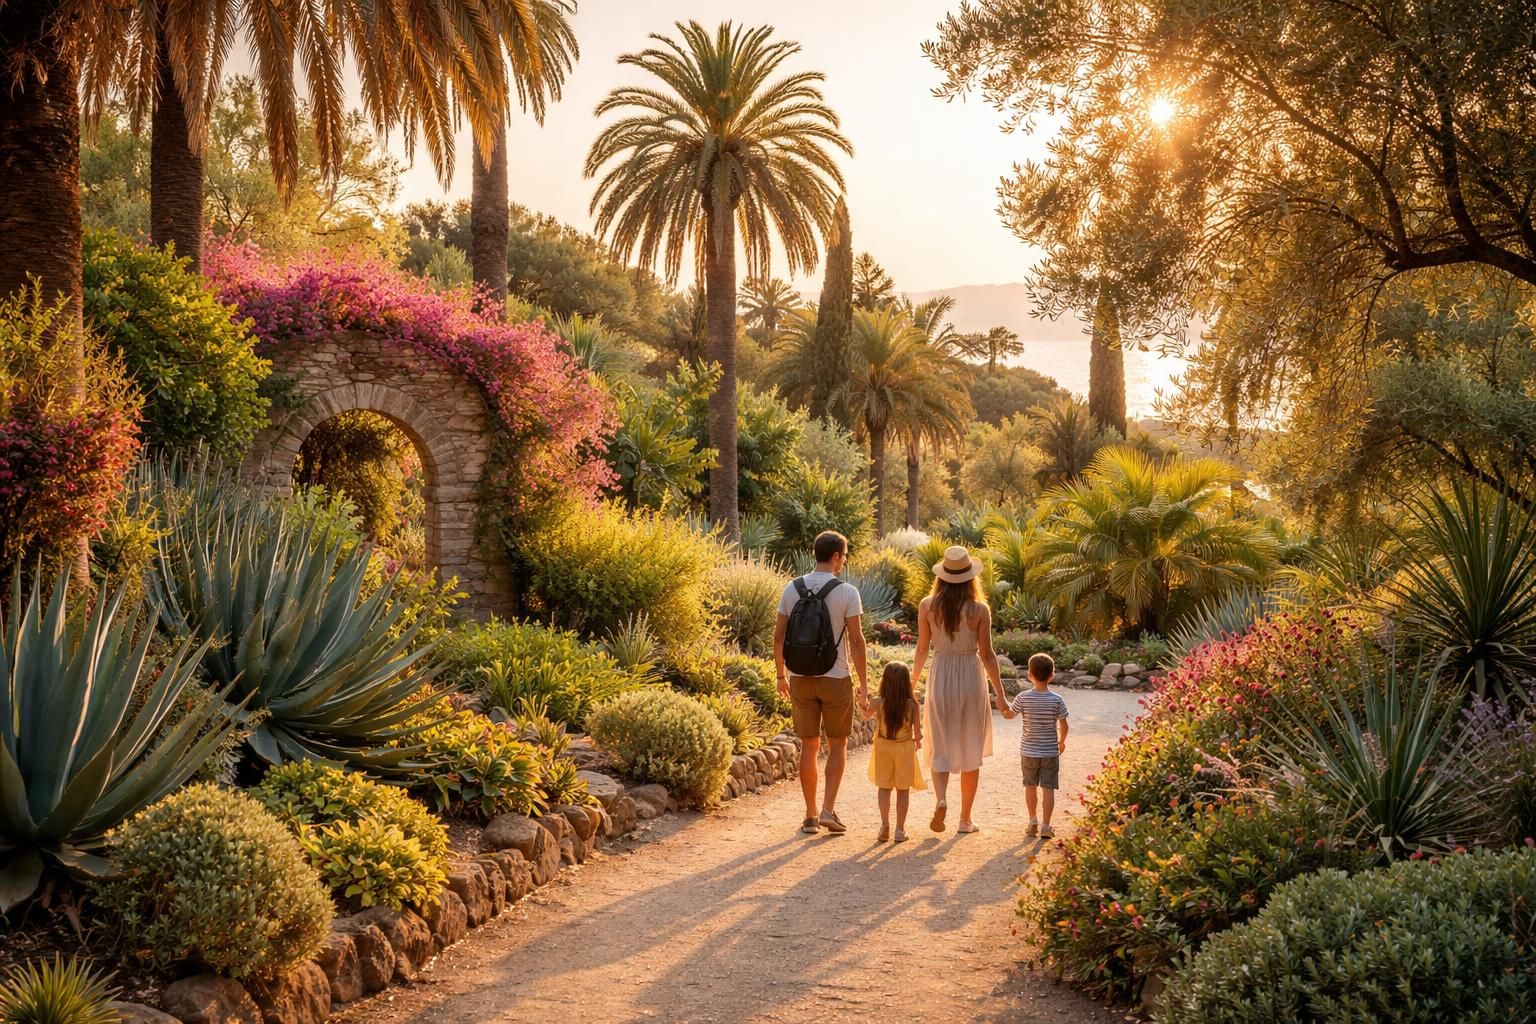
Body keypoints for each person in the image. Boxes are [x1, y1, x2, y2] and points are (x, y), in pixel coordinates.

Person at [774, 530, 868, 835]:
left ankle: (810, 816)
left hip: (799, 678)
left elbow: (778, 637)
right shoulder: (847, 592)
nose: (844, 561)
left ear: (815, 553)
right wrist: (864, 684)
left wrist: (780, 676)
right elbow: (856, 641)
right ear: (836, 556)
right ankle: (828, 809)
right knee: (837, 743)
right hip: (835, 677)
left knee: (809, 746)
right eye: (844, 556)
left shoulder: (792, 588)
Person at [912, 546, 1009, 835]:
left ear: (942, 576)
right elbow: (988, 655)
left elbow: (921, 649)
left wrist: (911, 683)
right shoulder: (979, 610)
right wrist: (1000, 695)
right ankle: (965, 819)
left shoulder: (927, 606)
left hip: (941, 674)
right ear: (970, 578)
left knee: (939, 742)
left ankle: (941, 799)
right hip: (969, 677)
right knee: (970, 747)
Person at [996, 652, 1070, 839]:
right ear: (1051, 675)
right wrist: (1061, 741)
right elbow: (1064, 725)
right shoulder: (1057, 699)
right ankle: (1046, 825)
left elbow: (1009, 715)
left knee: (1030, 786)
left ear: (1029, 674)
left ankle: (1032, 820)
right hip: (1049, 752)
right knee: (1048, 788)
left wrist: (1002, 708)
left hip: (1028, 751)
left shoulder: (1023, 697)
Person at [864, 662, 926, 842]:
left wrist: (862, 702)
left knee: (884, 787)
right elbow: (918, 734)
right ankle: (900, 829)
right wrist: (918, 740)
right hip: (904, 749)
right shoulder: (912, 705)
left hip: (883, 748)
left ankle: (885, 824)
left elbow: (866, 715)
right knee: (903, 790)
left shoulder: (878, 702)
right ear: (907, 683)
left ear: (884, 681)